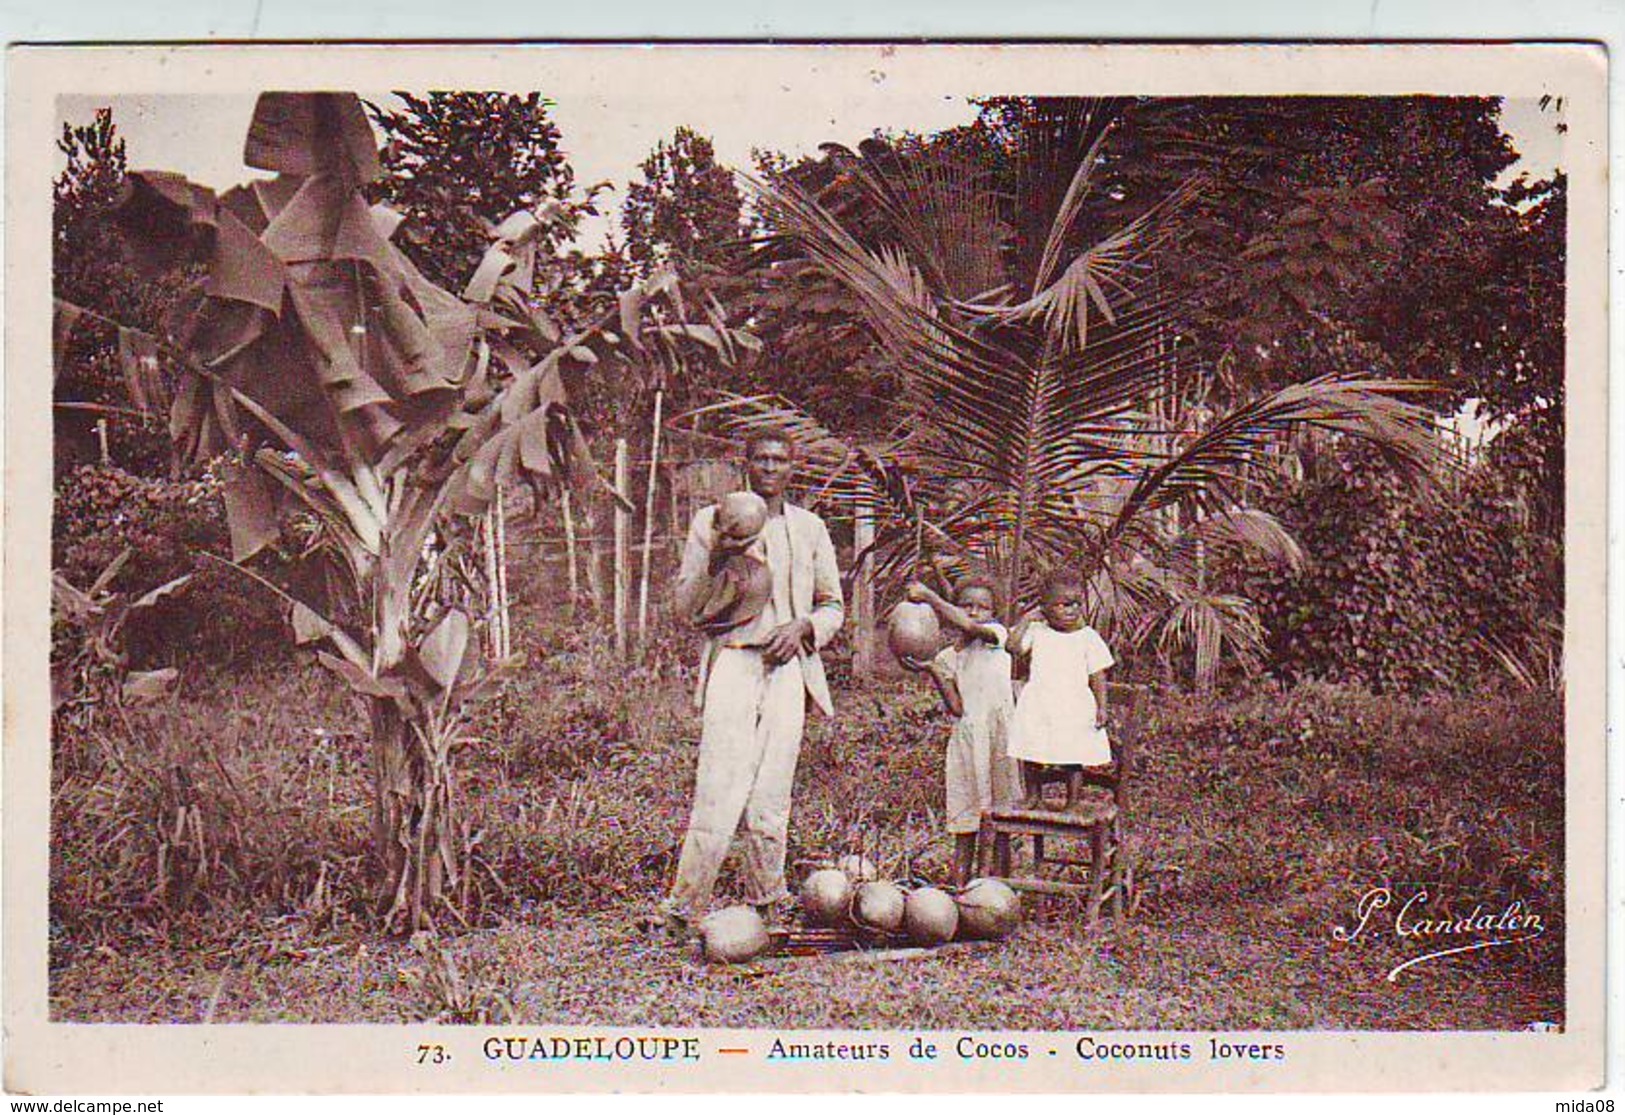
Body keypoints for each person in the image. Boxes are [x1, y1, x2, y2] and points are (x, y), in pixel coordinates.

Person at [652, 433, 844, 939]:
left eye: (780, 460)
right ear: (746, 466)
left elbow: (832, 605)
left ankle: (769, 897)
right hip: (734, 662)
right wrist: (719, 553)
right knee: (718, 786)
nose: (770, 468)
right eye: (761, 459)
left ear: (792, 468)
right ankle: (685, 905)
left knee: (772, 791)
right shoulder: (711, 523)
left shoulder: (809, 529)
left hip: (788, 669)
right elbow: (686, 606)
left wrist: (803, 628)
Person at [899, 577, 1022, 885]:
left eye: (983, 607)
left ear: (994, 613)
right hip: (968, 742)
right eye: (967, 606)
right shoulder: (946, 657)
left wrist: (929, 595)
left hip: (999, 740)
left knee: (1000, 822)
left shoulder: (996, 636)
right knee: (965, 824)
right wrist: (932, 670)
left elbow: (971, 627)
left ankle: (1000, 889)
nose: (975, 612)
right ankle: (960, 889)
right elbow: (956, 707)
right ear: (955, 609)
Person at [1009, 569, 1115, 810]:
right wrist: (1026, 619)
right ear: (1044, 608)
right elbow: (1012, 647)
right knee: (1031, 751)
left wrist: (1102, 707)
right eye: (1064, 604)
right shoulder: (1037, 632)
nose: (1072, 610)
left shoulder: (1088, 637)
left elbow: (1098, 676)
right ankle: (1033, 796)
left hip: (1073, 707)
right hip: (1039, 705)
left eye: (1077, 603)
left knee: (1072, 757)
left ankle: (1073, 801)